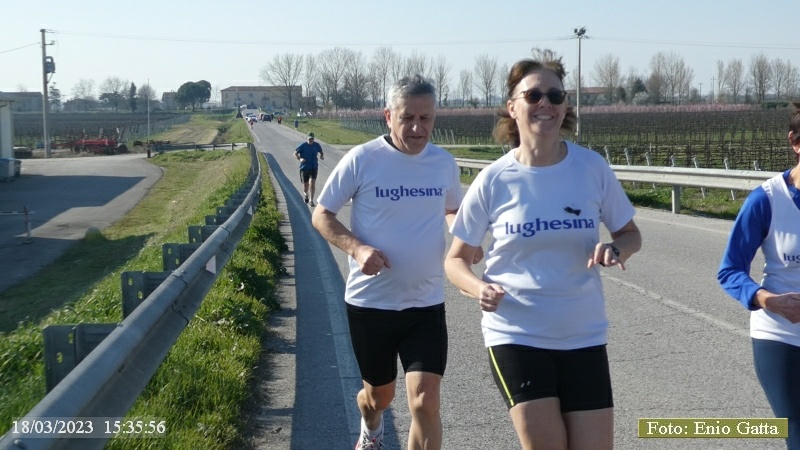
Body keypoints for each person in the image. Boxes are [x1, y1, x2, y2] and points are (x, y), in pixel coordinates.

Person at [443, 58, 641, 450]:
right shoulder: (494, 180)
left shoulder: (591, 168)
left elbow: (630, 234)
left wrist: (615, 248)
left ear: (565, 107)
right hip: (516, 333)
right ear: (512, 107)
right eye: (533, 95)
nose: (545, 103)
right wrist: (478, 288)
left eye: (555, 95)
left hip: (583, 333)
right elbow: (455, 260)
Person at [312, 75, 468, 450]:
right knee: (379, 397)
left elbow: (452, 209)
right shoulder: (363, 159)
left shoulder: (443, 163)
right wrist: (357, 249)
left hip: (425, 303)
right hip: (371, 305)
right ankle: (372, 425)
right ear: (388, 116)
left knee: (425, 401)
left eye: (425, 118)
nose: (417, 128)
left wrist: (463, 234)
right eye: (407, 118)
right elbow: (322, 215)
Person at [718, 102, 800, 450]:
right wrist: (769, 301)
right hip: (781, 334)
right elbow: (730, 270)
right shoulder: (766, 200)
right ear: (795, 142)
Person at [294, 132, 324, 207]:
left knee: (312, 182)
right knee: (306, 186)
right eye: (309, 139)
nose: (311, 140)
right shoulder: (303, 146)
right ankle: (306, 195)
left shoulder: (316, 145)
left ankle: (311, 200)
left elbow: (321, 152)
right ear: (307, 139)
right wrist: (299, 159)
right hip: (304, 168)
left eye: (312, 139)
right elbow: (295, 153)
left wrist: (321, 156)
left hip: (314, 167)